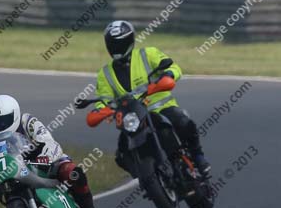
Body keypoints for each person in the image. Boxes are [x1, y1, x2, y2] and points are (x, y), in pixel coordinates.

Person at [84, 21, 211, 178]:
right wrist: (100, 110)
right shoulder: (105, 73)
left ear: (129, 41)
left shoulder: (148, 54)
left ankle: (198, 156)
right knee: (122, 156)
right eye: (112, 44)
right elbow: (104, 99)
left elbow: (174, 68)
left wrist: (168, 75)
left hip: (161, 109)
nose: (116, 48)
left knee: (182, 122)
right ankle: (148, 181)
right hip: (133, 119)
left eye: (120, 43)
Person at [0, 94, 107, 208]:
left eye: (4, 120)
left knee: (73, 172)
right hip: (18, 171)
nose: (0, 125)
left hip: (47, 160)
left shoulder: (27, 121)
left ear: (15, 114)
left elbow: (46, 139)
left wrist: (42, 155)